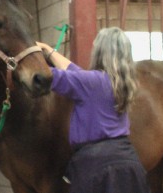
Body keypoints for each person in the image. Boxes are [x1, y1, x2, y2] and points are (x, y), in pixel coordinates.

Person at [37, 27, 151, 193]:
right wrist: (49, 51)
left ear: (99, 52)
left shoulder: (90, 82)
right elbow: (76, 72)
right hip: (129, 165)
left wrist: (22, 56)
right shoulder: (123, 83)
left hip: (96, 167)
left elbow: (45, 75)